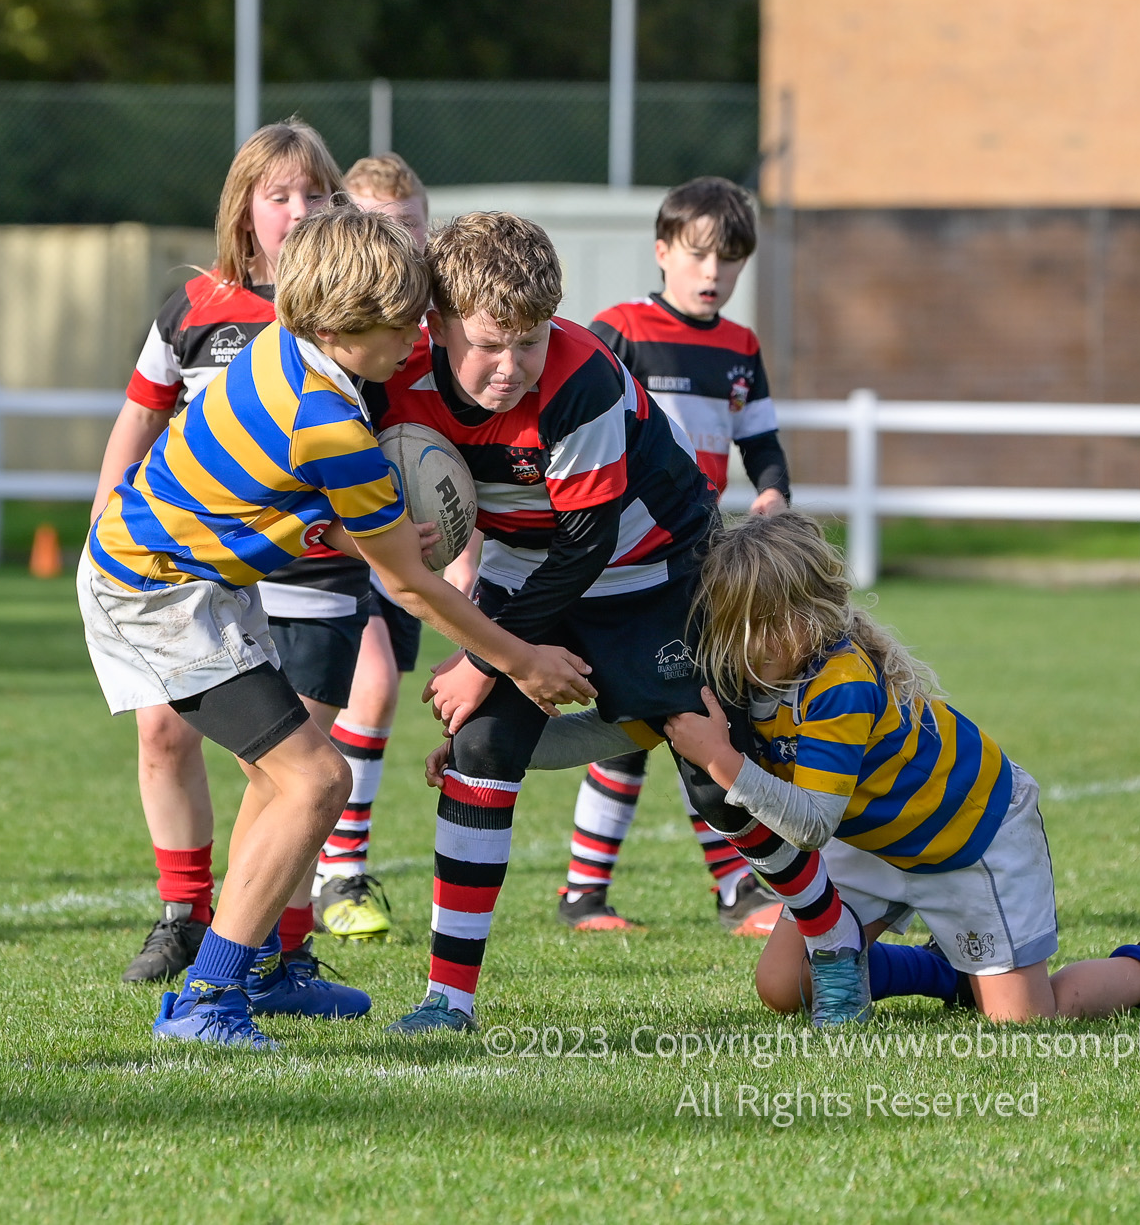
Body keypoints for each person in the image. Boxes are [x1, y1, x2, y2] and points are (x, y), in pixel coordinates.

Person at [79, 205, 595, 1047]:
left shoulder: (282, 346)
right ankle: (208, 999)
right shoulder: (329, 423)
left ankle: (258, 970)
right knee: (319, 779)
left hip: (191, 577)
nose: (413, 340)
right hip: (156, 592)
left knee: (280, 777)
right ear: (335, 326)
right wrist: (520, 659)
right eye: (398, 327)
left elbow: (302, 507)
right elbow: (410, 586)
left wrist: (363, 530)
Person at [369, 212, 872, 1033]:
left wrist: (487, 660)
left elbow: (585, 545)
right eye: (489, 344)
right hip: (526, 568)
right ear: (438, 323)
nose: (511, 367)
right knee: (478, 751)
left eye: (529, 342)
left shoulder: (582, 378)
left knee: (714, 773)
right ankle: (447, 1000)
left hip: (654, 573)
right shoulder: (394, 373)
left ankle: (831, 932)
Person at [521, 513, 1140, 1022]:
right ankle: (955, 972)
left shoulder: (840, 680)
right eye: (744, 625)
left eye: (778, 621)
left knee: (1026, 1022)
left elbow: (812, 824)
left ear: (815, 612)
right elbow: (610, 731)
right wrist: (493, 751)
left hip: (969, 839)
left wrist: (719, 758)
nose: (761, 641)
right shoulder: (730, 667)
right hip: (872, 845)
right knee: (782, 986)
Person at [97, 119, 373, 981]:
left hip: (318, 575)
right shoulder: (193, 307)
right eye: (278, 195)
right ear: (242, 209)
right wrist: (110, 525)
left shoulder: (353, 315)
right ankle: (185, 917)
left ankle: (283, 949)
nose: (300, 210)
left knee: (291, 772)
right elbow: (138, 424)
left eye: (317, 193)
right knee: (162, 736)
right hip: (196, 578)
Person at [556, 177, 788, 935]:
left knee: (695, 715)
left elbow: (762, 441)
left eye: (729, 259)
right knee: (645, 721)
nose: (713, 272)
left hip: (700, 561)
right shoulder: (619, 331)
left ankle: (732, 889)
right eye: (697, 254)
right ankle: (588, 894)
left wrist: (773, 491)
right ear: (662, 251)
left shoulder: (740, 348)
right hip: (622, 560)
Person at [307, 152, 439, 942]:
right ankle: (335, 871)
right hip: (329, 545)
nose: (400, 243)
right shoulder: (339, 344)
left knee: (363, 699)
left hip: (397, 537)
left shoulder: (428, 340)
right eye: (378, 227)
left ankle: (326, 867)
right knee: (370, 685)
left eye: (411, 226)